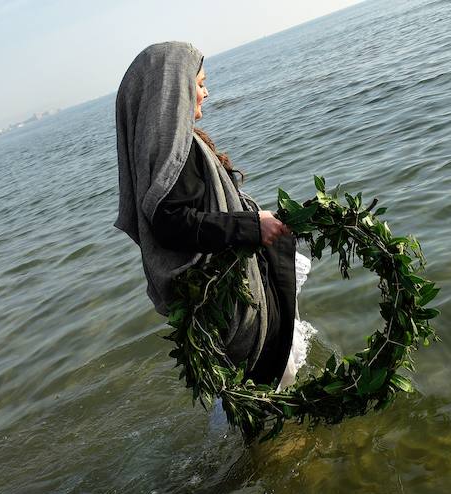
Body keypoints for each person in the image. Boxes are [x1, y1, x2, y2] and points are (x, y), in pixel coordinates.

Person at [114, 42, 312, 390]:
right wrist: (252, 226)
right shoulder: (178, 154)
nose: (206, 91)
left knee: (260, 390)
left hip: (218, 299)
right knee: (268, 389)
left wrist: (253, 215)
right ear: (175, 89)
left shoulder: (163, 152)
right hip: (231, 299)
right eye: (200, 83)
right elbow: (171, 222)